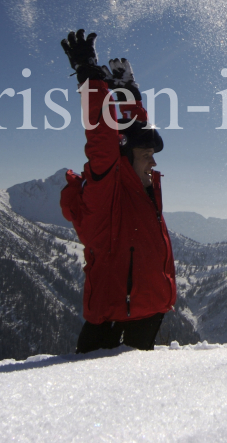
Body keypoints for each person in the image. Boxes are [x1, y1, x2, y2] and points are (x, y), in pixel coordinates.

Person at [60, 29, 176, 353]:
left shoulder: (140, 185)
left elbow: (133, 137)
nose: (154, 162)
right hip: (114, 319)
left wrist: (129, 95)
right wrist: (89, 75)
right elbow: (103, 136)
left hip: (146, 310)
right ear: (124, 161)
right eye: (147, 156)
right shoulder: (108, 191)